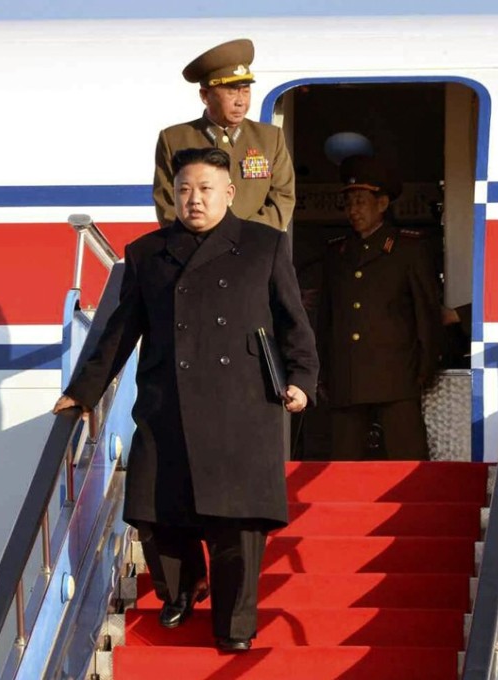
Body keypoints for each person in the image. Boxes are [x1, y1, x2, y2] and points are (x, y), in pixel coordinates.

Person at [53, 147, 318, 651]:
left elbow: (293, 323)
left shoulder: (264, 244)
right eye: (184, 191)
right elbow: (119, 331)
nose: (194, 200)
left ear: (229, 194)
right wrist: (83, 392)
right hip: (166, 401)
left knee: (236, 524)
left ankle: (235, 628)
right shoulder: (148, 253)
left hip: (244, 402)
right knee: (152, 510)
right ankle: (181, 587)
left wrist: (302, 378)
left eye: (205, 190)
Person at [317, 155, 442, 461]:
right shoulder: (337, 252)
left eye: (360, 202)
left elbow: (426, 313)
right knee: (343, 468)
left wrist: (426, 368)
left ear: (382, 204)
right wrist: (322, 368)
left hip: (396, 375)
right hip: (347, 377)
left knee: (409, 464)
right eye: (348, 203)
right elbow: (327, 317)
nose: (353, 210)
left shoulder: (408, 248)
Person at [152, 38, 296, 231]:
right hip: (197, 253)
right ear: (205, 96)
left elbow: (283, 197)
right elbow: (167, 204)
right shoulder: (174, 139)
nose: (240, 101)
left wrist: (242, 238)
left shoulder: (270, 139)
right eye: (231, 92)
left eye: (245, 91)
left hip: (254, 248)